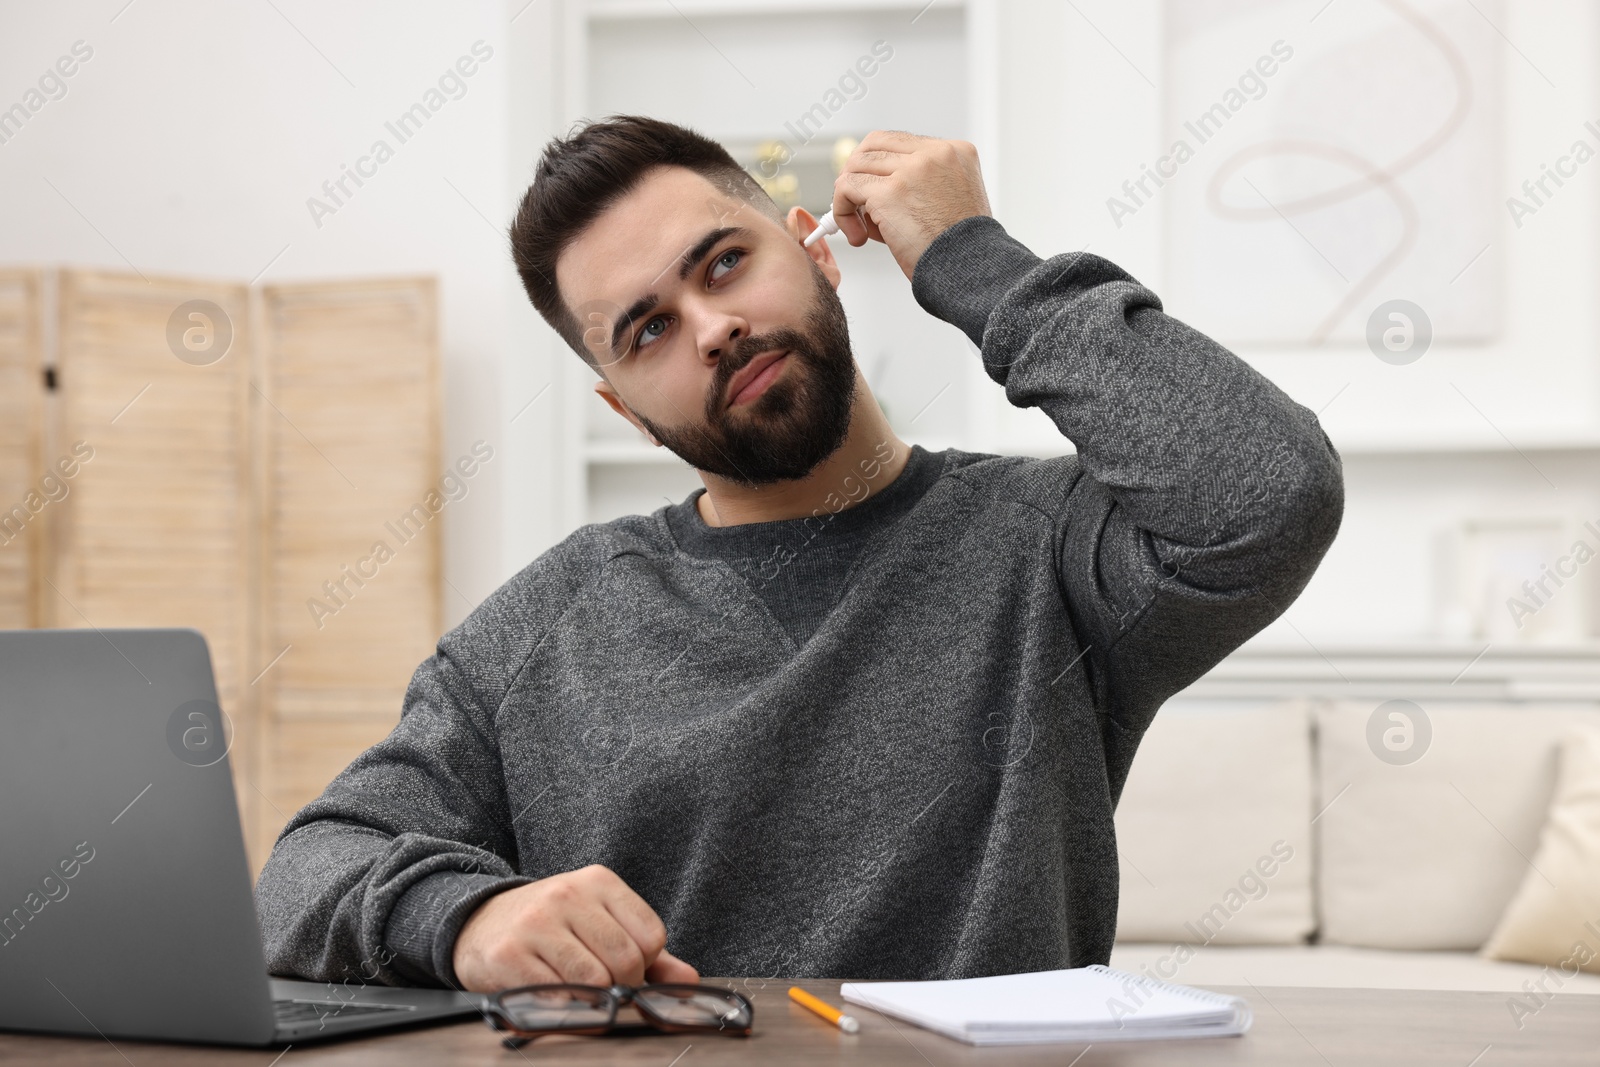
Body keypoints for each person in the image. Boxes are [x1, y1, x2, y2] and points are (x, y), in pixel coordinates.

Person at [254, 114, 1344, 994]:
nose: (711, 327)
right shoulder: (539, 630)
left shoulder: (1050, 549)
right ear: (623, 410)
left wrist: (973, 260)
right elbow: (300, 873)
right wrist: (467, 914)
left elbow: (1268, 491)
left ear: (813, 245)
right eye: (648, 330)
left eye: (724, 264)